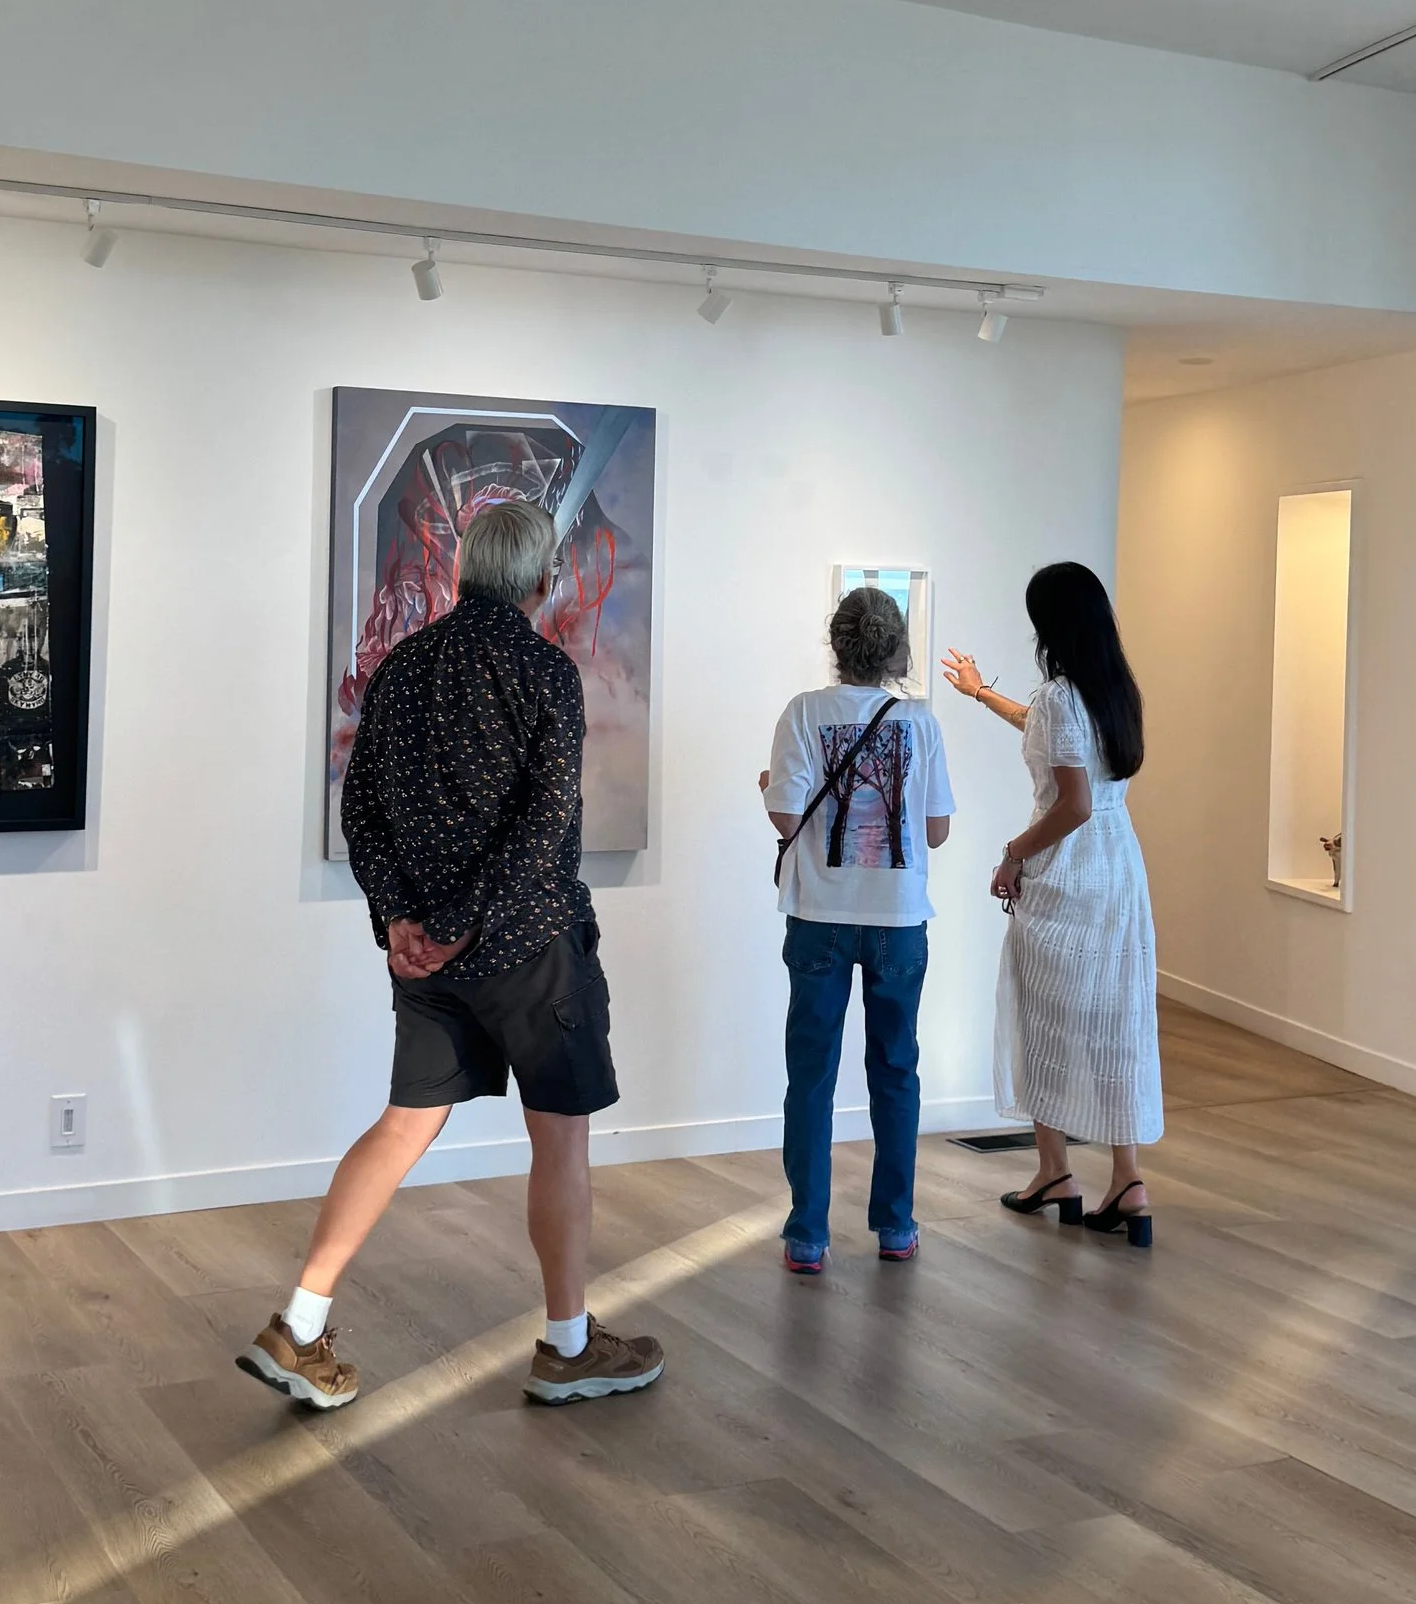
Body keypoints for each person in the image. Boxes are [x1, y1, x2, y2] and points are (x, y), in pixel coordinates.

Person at [241, 496, 664, 1411]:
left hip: (430, 959)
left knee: (402, 1125)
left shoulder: (401, 667)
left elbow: (359, 809)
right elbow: (544, 823)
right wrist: (465, 919)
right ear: (542, 578)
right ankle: (567, 1346)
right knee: (561, 1138)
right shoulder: (544, 671)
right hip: (531, 948)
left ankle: (299, 1325)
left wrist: (402, 916)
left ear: (465, 570)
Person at [942, 561, 1161, 1241]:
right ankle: (1127, 1180)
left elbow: (1073, 802)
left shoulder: (1063, 696)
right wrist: (981, 693)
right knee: (1115, 1019)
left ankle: (1054, 1171)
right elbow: (1045, 730)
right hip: (1118, 866)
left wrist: (1013, 853)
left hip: (1069, 868)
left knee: (1045, 1017)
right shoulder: (1113, 690)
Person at [761, 585, 955, 1272]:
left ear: (837, 644)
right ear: (895, 649)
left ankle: (807, 1236)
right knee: (896, 1070)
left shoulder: (803, 712)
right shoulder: (920, 723)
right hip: (897, 920)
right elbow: (936, 831)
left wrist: (767, 786)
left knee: (811, 1076)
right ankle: (895, 1227)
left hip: (820, 916)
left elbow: (787, 817)